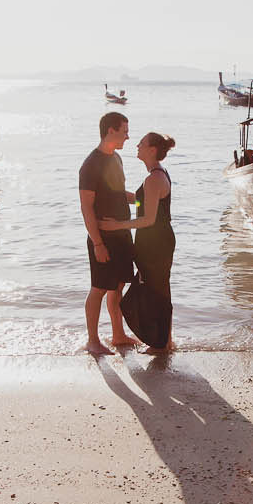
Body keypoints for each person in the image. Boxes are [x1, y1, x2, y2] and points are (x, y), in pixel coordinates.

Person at [100, 131, 175, 353]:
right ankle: (165, 341)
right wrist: (118, 194)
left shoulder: (153, 179)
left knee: (155, 291)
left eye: (141, 144)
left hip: (154, 242)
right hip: (158, 240)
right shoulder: (158, 174)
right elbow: (144, 202)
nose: (137, 146)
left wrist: (116, 225)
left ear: (152, 150)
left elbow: (147, 219)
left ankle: (161, 344)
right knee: (159, 289)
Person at [79, 112, 136, 354]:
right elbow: (86, 206)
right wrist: (97, 243)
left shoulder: (116, 159)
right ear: (111, 131)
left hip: (122, 233)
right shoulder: (91, 164)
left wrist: (147, 203)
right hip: (103, 237)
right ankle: (93, 341)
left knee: (118, 287)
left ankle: (118, 334)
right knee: (99, 288)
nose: (128, 136)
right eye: (124, 130)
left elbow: (119, 194)